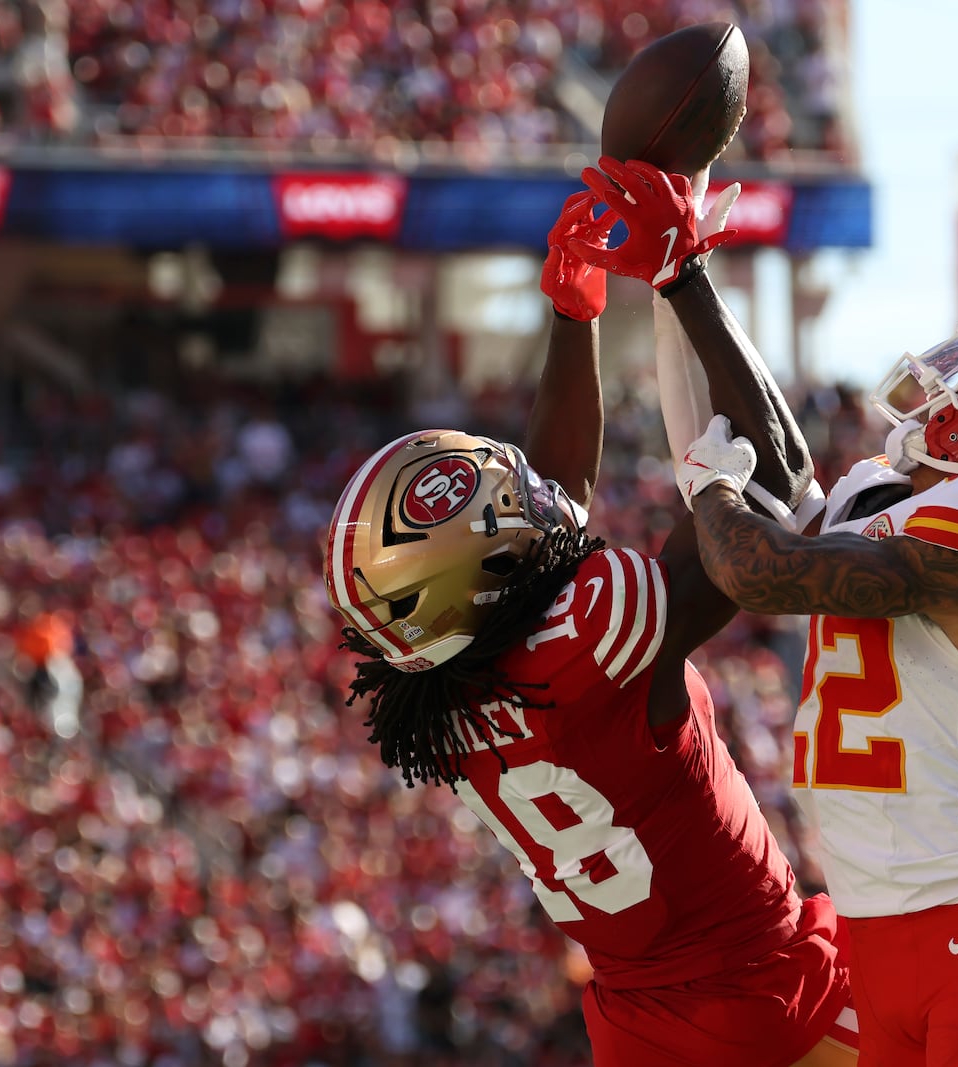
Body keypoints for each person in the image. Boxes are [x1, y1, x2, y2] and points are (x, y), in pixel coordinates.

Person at [570, 166, 958, 1066]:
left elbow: (763, 566)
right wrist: (681, 280)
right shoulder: (886, 494)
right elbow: (766, 458)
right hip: (880, 932)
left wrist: (710, 488)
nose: (951, 379)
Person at [323, 185, 855, 1067]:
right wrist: (682, 276)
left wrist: (574, 316)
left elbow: (554, 510)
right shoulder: (590, 643)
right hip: (765, 998)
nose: (531, 493)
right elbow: (780, 490)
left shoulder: (436, 699)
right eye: (507, 504)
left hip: (638, 1029)